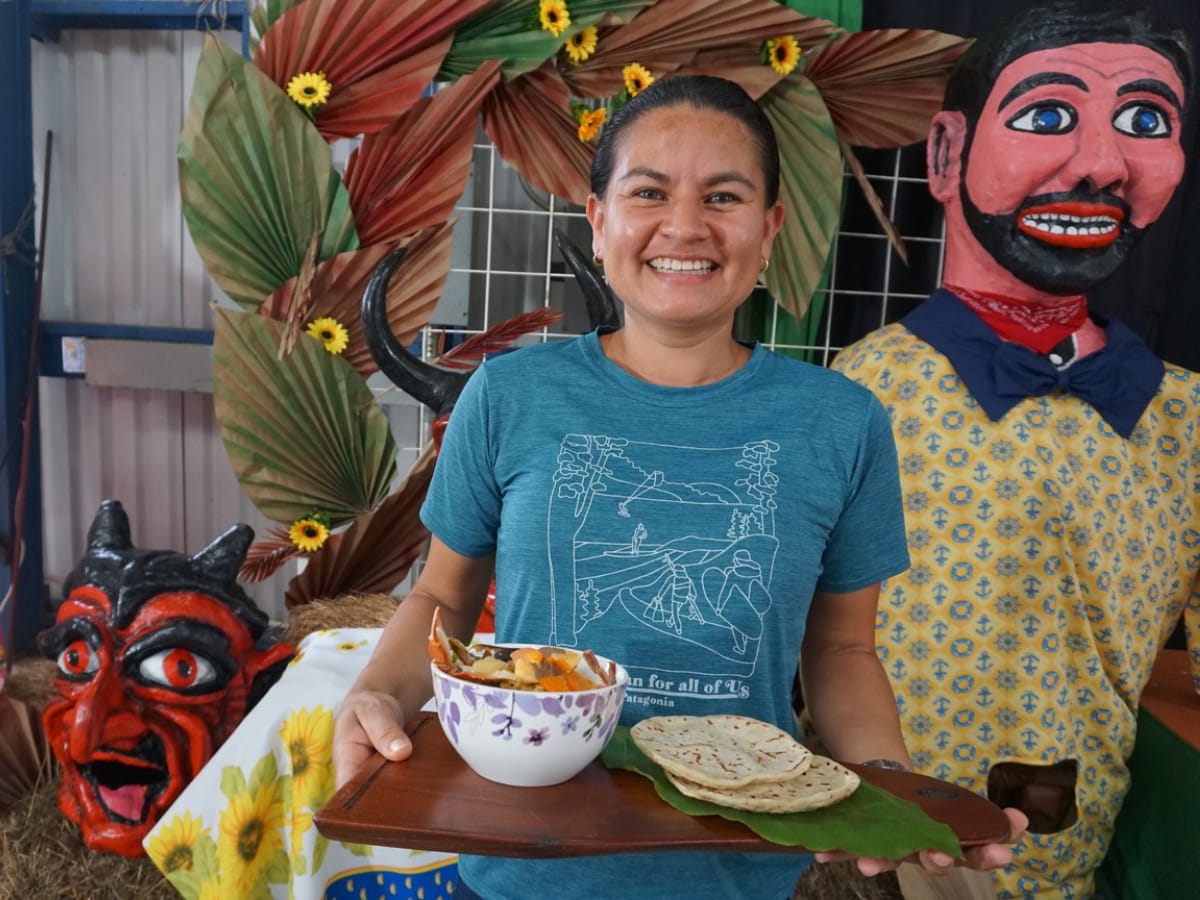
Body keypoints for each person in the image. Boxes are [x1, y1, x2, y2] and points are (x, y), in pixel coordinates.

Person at [333, 74, 1024, 900]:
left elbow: (841, 649)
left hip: (734, 868)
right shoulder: (510, 396)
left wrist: (883, 784)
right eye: (649, 191)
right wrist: (375, 694)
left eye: (724, 196)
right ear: (599, 221)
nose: (686, 226)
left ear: (769, 229)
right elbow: (440, 599)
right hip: (523, 864)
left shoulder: (839, 422)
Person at [830, 2, 1200, 897]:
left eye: (1145, 121)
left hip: (1069, 855)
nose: (1103, 163)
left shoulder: (1184, 419)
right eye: (1048, 116)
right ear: (948, 155)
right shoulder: (857, 391)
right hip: (864, 843)